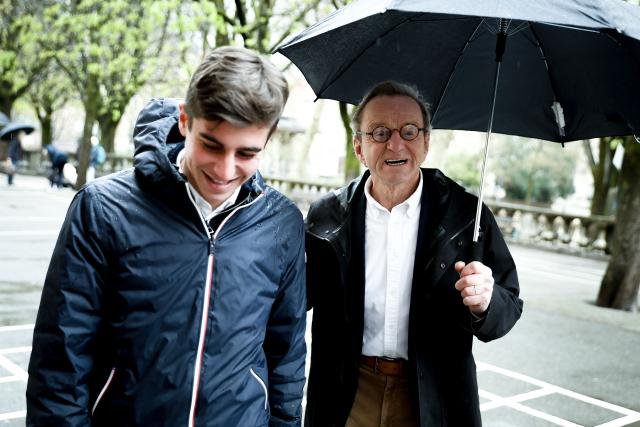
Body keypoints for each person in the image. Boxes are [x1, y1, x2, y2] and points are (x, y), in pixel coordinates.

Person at [27, 46, 307, 427]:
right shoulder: (102, 208)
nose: (225, 170)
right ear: (185, 119)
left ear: (268, 140)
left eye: (246, 153)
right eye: (212, 144)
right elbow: (60, 361)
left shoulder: (282, 222)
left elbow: (286, 354)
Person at [304, 81, 523, 427]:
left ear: (425, 143)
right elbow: (295, 298)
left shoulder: (466, 215)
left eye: (408, 130)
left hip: (432, 397)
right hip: (347, 393)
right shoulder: (327, 216)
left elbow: (508, 307)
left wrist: (486, 302)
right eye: (379, 132)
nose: (395, 143)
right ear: (359, 147)